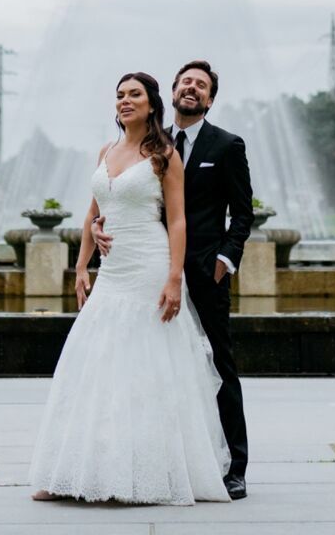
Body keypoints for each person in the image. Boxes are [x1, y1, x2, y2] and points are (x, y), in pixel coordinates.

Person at [25, 72, 231, 505]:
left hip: (150, 267)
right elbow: (93, 212)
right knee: (95, 359)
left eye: (134, 94)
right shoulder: (106, 150)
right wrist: (82, 265)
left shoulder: (164, 155)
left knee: (144, 366)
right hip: (112, 270)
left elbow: (177, 220)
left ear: (152, 104)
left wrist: (175, 277)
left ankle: (144, 472)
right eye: (119, 95)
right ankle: (73, 469)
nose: (124, 101)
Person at [93, 59, 253, 500]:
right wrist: (98, 228)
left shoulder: (227, 145)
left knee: (218, 364)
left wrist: (225, 258)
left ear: (210, 99)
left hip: (204, 269)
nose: (192, 89)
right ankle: (165, 459)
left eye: (201, 86)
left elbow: (243, 213)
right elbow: (123, 197)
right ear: (173, 91)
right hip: (148, 268)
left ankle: (234, 465)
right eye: (186, 82)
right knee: (155, 365)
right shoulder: (153, 145)